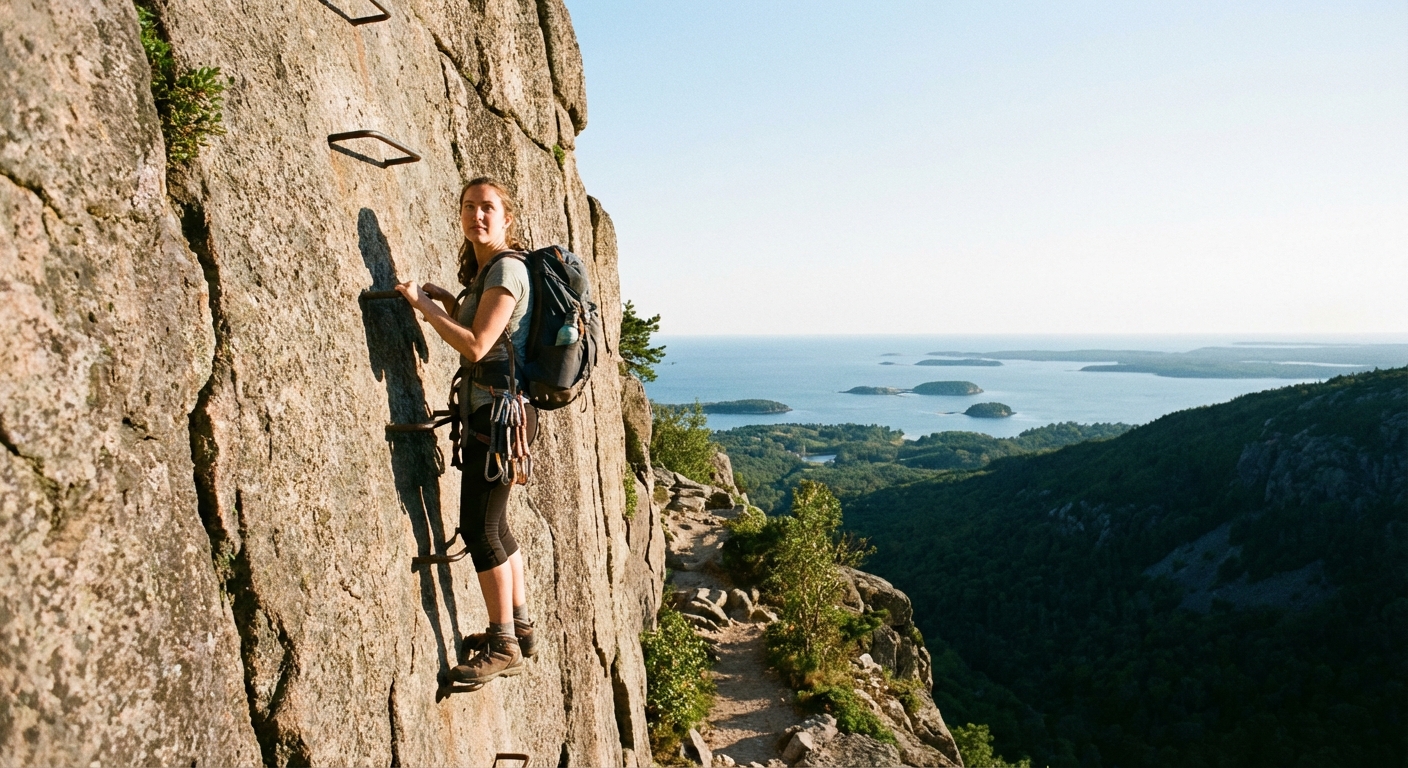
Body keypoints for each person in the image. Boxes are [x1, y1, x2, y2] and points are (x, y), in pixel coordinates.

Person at [396, 177, 538, 685]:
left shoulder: (506, 270)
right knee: (496, 524)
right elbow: (493, 335)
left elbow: (477, 347)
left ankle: (502, 643)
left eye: (488, 209)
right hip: (501, 414)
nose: (477, 216)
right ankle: (519, 626)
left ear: (507, 218)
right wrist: (450, 303)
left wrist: (427, 310)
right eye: (469, 207)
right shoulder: (487, 272)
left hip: (497, 418)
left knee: (479, 528)